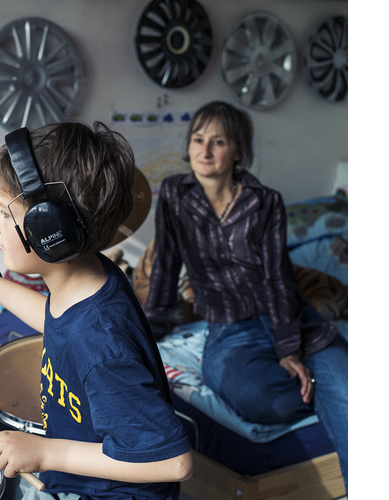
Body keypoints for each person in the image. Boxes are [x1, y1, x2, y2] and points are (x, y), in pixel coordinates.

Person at [0, 122, 193, 500]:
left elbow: (174, 462)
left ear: (49, 227)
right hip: (74, 480)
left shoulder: (101, 342)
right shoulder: (88, 280)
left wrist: (46, 451)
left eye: (4, 211)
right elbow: (58, 323)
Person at [143, 101, 348, 491]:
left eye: (217, 142)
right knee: (257, 396)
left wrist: (289, 349)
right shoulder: (174, 194)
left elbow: (277, 277)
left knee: (353, 393)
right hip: (229, 330)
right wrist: (148, 334)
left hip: (295, 320)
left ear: (238, 150)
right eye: (198, 140)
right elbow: (166, 266)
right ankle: (318, 388)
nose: (204, 151)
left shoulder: (265, 201)